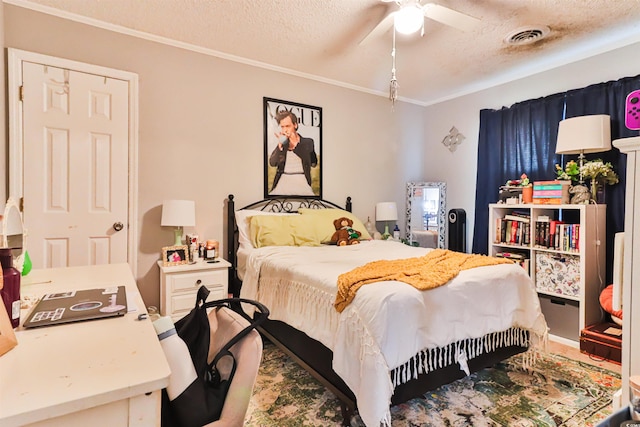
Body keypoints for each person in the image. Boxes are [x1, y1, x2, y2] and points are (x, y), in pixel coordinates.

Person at [269, 110, 318, 195]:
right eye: (282, 127)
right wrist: (280, 145)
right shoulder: (283, 143)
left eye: (287, 126)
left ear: (295, 125)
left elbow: (313, 163)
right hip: (283, 181)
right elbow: (272, 163)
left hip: (302, 180)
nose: (285, 130)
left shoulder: (307, 142)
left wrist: (295, 143)